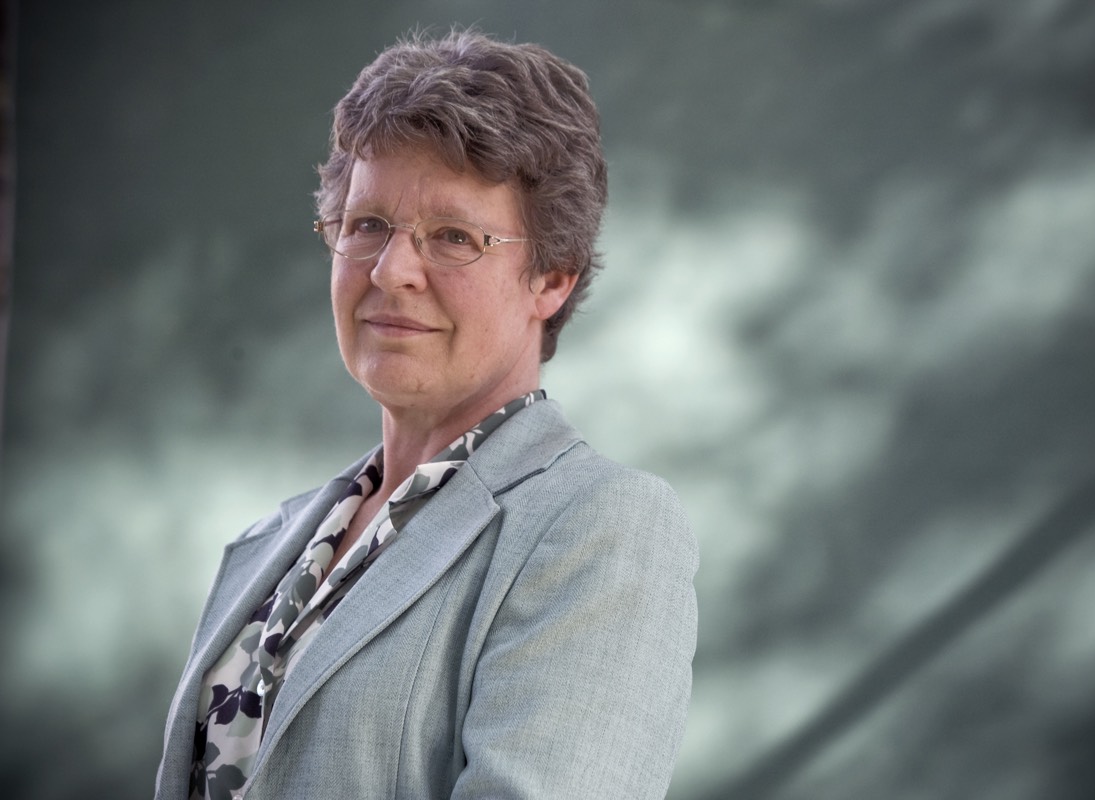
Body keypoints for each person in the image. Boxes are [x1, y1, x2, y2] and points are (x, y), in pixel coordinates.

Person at [154, 29, 698, 800]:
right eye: (367, 223)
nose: (391, 270)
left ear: (552, 280)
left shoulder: (596, 529)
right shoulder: (270, 543)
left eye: (453, 237)